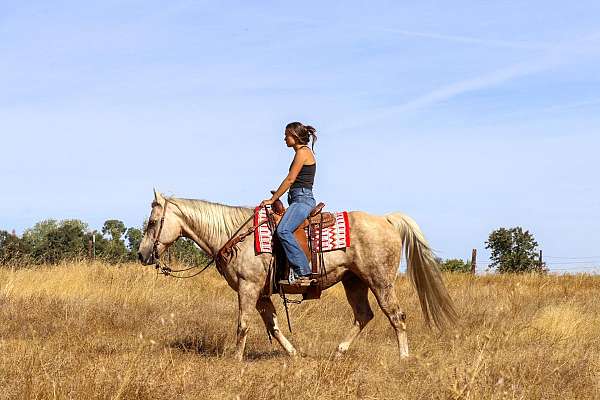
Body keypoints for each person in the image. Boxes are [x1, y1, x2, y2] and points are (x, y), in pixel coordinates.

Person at [260, 122, 317, 285]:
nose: (284, 138)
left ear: (295, 135)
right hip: (297, 198)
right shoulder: (301, 152)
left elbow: (291, 179)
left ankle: (302, 271)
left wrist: (272, 199)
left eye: (287, 135)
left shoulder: (303, 152)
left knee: (283, 230)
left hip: (302, 199)